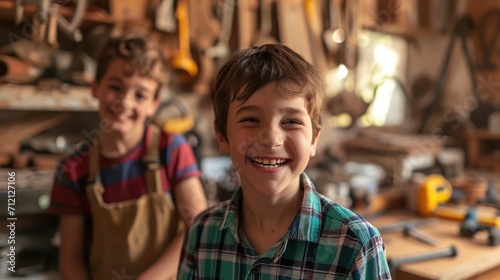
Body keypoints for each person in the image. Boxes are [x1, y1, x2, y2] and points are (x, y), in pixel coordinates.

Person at [177, 44, 391, 279]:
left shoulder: (355, 245)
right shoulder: (201, 234)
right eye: (250, 119)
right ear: (222, 136)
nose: (271, 139)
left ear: (314, 140)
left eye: (291, 121)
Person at [47, 32, 208, 280]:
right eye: (115, 87)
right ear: (95, 88)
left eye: (140, 95)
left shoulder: (172, 149)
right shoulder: (73, 169)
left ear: (153, 105)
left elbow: (198, 229)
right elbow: (71, 261)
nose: (125, 102)